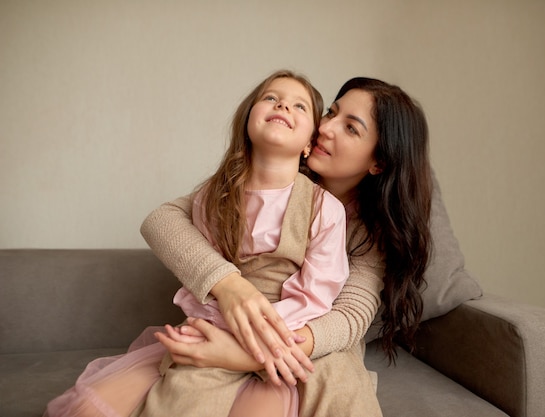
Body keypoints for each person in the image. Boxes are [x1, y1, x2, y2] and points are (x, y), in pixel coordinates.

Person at [44, 69, 351, 417]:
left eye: (300, 106)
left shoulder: (324, 208)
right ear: (248, 118)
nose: (282, 104)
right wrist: (215, 326)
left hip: (278, 338)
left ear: (310, 142)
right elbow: (201, 275)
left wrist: (255, 336)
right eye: (270, 97)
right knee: (119, 405)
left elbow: (316, 295)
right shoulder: (211, 196)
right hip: (215, 329)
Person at [140, 76, 433, 417]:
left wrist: (244, 354)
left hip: (305, 347)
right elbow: (162, 220)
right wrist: (230, 285)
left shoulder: (369, 231)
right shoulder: (274, 177)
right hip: (234, 322)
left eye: (351, 128)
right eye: (331, 113)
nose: (326, 128)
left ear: (378, 162)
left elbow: (350, 317)